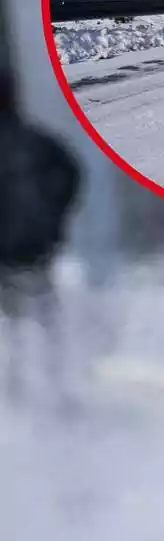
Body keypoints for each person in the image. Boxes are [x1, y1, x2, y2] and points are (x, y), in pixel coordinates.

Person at [0, 71, 83, 410]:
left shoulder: (33, 143)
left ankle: (18, 397)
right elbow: (72, 176)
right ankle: (56, 392)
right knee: (45, 325)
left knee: (13, 330)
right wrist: (53, 223)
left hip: (8, 257)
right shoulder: (37, 141)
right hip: (35, 252)